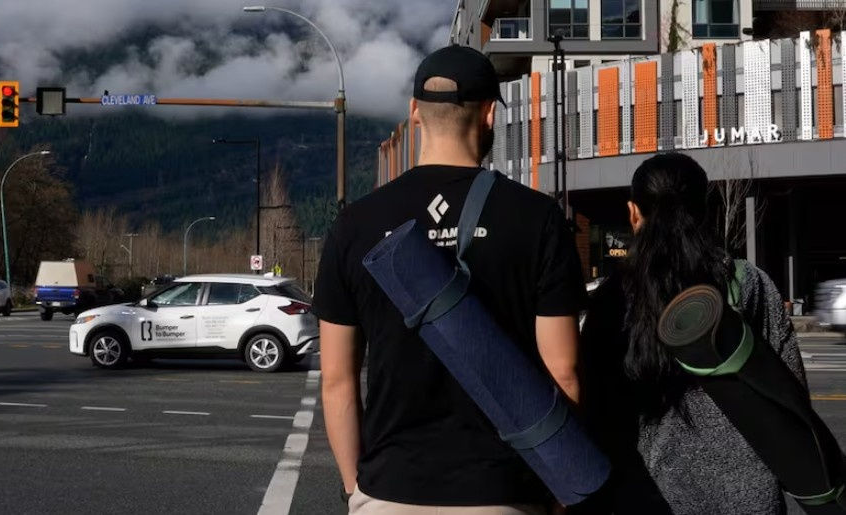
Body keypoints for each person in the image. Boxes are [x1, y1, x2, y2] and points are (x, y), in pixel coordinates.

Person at [313, 45, 587, 514]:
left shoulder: (355, 224)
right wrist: (561, 489)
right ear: (487, 115)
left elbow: (337, 378)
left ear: (414, 113)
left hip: (391, 487)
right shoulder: (537, 217)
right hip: (505, 490)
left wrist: (354, 488)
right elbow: (563, 372)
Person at [581, 153, 806, 514]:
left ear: (633, 213)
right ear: (704, 211)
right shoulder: (749, 283)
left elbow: (595, 409)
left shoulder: (613, 298)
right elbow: (791, 394)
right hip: (748, 500)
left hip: (649, 496)